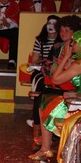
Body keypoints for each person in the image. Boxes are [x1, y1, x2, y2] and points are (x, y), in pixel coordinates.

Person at [31, 30, 81, 161]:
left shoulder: (78, 64)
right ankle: (45, 147)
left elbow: (56, 79)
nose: (72, 44)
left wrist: (64, 58)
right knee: (45, 100)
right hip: (75, 97)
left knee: (46, 103)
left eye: (74, 42)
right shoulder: (77, 62)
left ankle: (46, 148)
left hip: (77, 103)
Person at [26, 15, 62, 144]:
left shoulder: (62, 42)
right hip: (41, 71)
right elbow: (34, 60)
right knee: (40, 88)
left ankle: (47, 120)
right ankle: (37, 122)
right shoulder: (40, 40)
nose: (51, 26)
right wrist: (42, 62)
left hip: (57, 72)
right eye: (49, 23)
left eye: (54, 24)